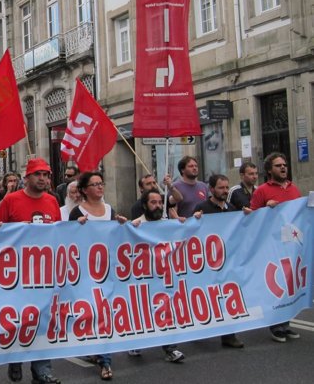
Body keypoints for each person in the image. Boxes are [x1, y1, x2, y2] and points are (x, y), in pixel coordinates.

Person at [0, 158, 60, 384]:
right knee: (19, 321)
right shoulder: (11, 200)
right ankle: (16, 358)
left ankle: (42, 370)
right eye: (38, 174)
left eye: (46, 175)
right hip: (16, 274)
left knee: (42, 321)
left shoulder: (52, 201)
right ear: (27, 177)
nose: (43, 179)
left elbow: (59, 236)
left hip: (43, 275)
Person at [68, 171, 131, 380]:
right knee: (90, 312)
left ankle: (106, 361)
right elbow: (68, 240)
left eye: (101, 183)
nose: (100, 187)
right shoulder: (77, 211)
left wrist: (123, 225)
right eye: (94, 184)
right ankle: (92, 346)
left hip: (106, 270)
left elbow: (117, 238)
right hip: (85, 271)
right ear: (85, 190)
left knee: (104, 312)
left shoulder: (110, 210)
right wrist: (77, 226)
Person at [128, 189, 187, 362]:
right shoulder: (137, 224)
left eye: (160, 202)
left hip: (163, 277)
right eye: (153, 203)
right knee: (141, 309)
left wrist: (185, 224)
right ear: (145, 205)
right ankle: (135, 342)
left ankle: (170, 349)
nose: (158, 206)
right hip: (143, 277)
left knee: (166, 310)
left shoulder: (167, 223)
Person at [249, 152, 302, 343]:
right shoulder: (262, 191)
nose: (283, 167)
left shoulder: (294, 188)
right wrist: (265, 209)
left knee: (290, 285)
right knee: (275, 285)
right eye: (278, 165)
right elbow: (251, 218)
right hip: (271, 246)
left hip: (291, 245)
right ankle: (275, 325)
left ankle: (286, 323)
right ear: (269, 170)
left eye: (285, 164)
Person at [192, 174, 245, 349]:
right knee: (208, 295)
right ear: (212, 189)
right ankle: (201, 325)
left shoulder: (232, 208)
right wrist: (195, 219)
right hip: (208, 261)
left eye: (226, 187)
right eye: (221, 188)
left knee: (228, 295)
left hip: (227, 261)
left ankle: (229, 335)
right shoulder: (203, 208)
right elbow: (191, 231)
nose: (224, 191)